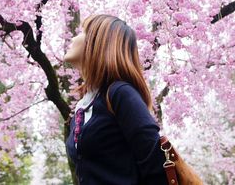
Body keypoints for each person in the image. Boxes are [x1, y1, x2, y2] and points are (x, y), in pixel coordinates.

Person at [63, 14, 168, 185]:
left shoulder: (120, 93)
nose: (74, 37)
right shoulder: (82, 107)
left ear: (98, 42)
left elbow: (156, 163)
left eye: (83, 31)